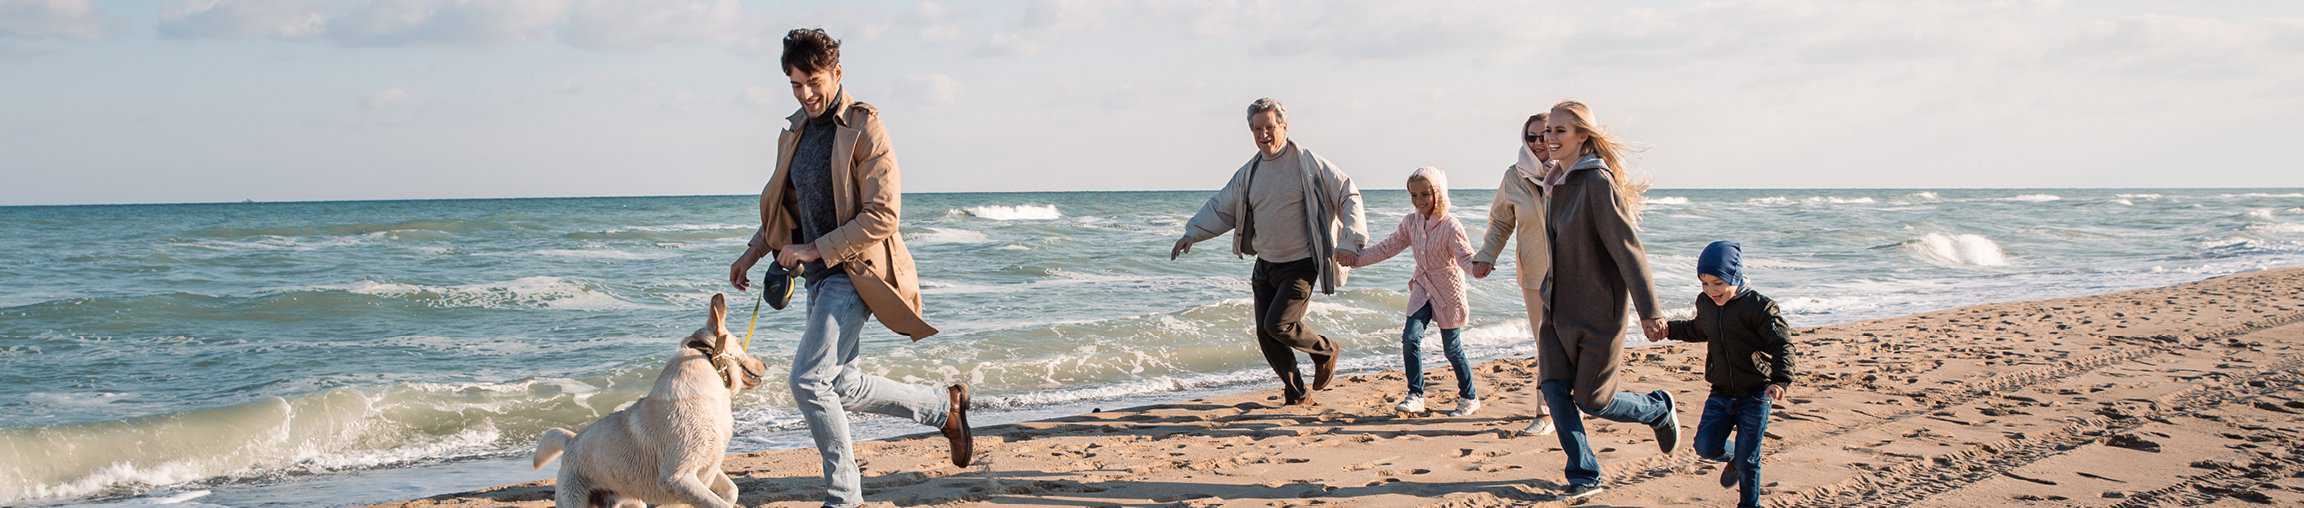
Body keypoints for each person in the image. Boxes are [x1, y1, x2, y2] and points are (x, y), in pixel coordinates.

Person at [723, 28, 972, 508]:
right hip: (819, 276)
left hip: (857, 272)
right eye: (795, 84)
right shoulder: (795, 131)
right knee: (842, 383)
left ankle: (844, 498)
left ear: (836, 73)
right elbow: (786, 211)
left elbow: (883, 214)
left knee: (807, 380)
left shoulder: (865, 126)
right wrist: (752, 253)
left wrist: (815, 250)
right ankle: (944, 408)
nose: (806, 93)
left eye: (813, 80)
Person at [1172, 97, 1370, 406]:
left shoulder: (1308, 163)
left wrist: (1349, 240)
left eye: (1269, 127)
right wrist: (1193, 233)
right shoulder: (1250, 172)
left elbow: (1348, 193)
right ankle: (1296, 392)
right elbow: (1223, 208)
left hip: (1301, 262)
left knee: (1278, 325)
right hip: (1265, 264)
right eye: (1256, 129)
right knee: (1267, 335)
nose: (1263, 134)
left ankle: (1325, 350)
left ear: (1284, 126)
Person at [1534, 100, 1679, 500]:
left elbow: (1627, 249)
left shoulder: (1597, 182)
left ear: (1583, 135)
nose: (1551, 137)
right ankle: (1584, 474)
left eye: (1561, 130)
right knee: (1553, 387)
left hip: (1599, 314)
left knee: (1594, 401)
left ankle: (1657, 409)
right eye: (1549, 131)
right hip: (1557, 310)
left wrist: (1650, 311)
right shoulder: (1554, 182)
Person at [1662, 241, 1796, 508]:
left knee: (1750, 461)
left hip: (1757, 393)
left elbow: (1782, 344)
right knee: (1705, 446)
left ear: (1735, 276)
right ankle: (1736, 455)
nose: (1711, 291)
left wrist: (1781, 380)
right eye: (1704, 284)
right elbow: (1699, 329)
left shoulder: (1760, 307)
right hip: (1721, 391)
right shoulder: (1706, 303)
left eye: (1717, 283)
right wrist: (1669, 329)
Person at [1345, 166, 1482, 416]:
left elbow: (1465, 258)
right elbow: (1386, 248)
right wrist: (1355, 260)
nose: (1419, 201)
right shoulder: (1410, 223)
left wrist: (1479, 267)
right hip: (1421, 286)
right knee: (1410, 338)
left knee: (1452, 348)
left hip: (1448, 291)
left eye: (1425, 195)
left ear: (1438, 194)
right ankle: (1415, 394)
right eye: (1414, 195)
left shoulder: (1451, 226)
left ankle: (1469, 397)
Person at [1472, 113, 1559, 436]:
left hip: (1577, 274)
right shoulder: (1515, 177)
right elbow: (1500, 222)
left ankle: (1573, 398)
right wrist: (1486, 256)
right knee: (1545, 343)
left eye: (1545, 135)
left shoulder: (1574, 171)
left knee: (1576, 343)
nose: (1539, 143)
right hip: (1535, 274)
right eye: (1532, 137)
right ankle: (1546, 411)